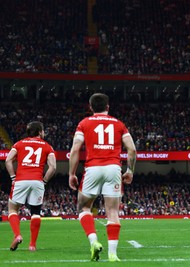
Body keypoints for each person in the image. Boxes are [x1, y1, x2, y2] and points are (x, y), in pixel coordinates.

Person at [69, 93, 137, 261]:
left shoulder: (84, 123)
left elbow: (75, 149)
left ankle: (94, 242)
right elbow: (132, 150)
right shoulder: (119, 124)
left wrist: (71, 173)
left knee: (83, 207)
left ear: (90, 107)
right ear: (108, 107)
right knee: (112, 211)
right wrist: (130, 171)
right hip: (113, 168)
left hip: (93, 168)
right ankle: (112, 254)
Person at [5, 121, 56, 251]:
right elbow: (53, 167)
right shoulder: (47, 146)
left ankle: (17, 235)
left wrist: (12, 177)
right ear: (39, 132)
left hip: (21, 180)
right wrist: (44, 181)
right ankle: (32, 245)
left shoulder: (19, 144)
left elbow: (8, 160)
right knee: (35, 212)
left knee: (12, 209)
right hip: (37, 181)